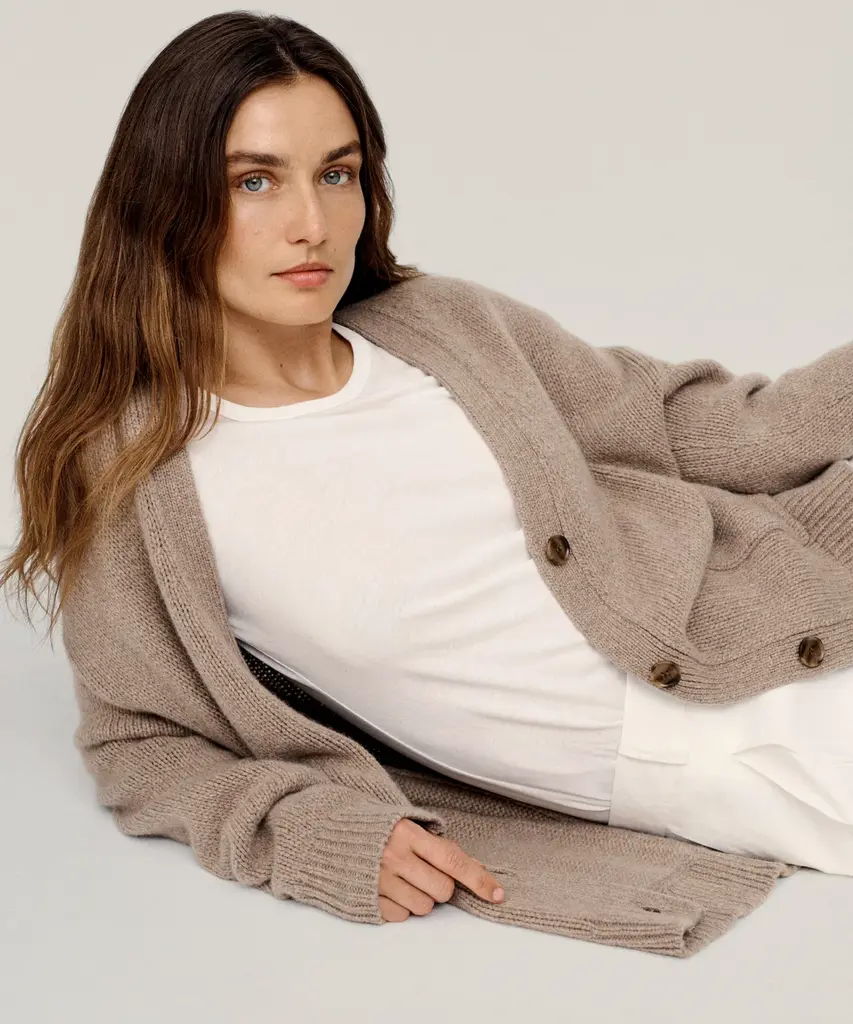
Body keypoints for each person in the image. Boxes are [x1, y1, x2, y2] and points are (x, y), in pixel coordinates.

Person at [2, 12, 852, 949]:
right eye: (254, 181)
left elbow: (688, 424)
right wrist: (304, 831)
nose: (310, 224)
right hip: (729, 773)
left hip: (799, 612)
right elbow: (137, 743)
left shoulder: (442, 326)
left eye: (337, 173)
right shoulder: (138, 482)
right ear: (164, 201)